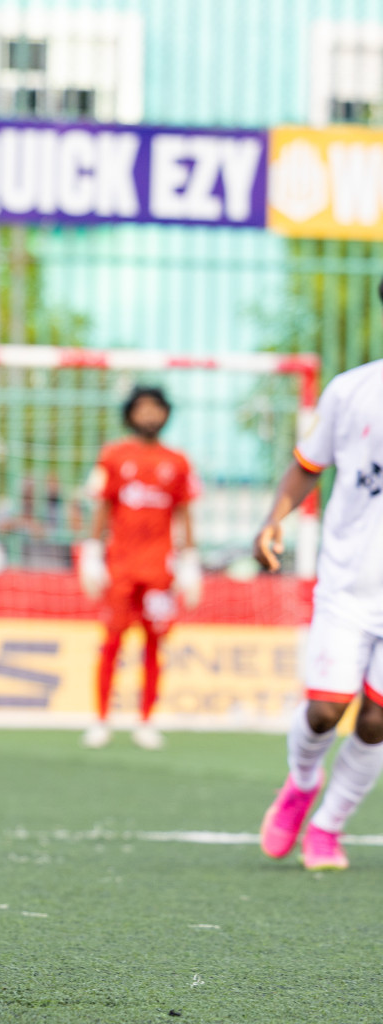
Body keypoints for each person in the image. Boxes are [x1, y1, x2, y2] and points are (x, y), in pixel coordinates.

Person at [256, 354, 383, 872]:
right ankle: (303, 781)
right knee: (326, 710)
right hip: (348, 587)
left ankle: (328, 827)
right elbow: (307, 466)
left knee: (376, 723)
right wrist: (274, 519)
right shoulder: (352, 390)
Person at [77, 386, 201, 751]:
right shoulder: (113, 456)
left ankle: (146, 720)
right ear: (130, 414)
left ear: (166, 414)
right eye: (142, 408)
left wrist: (190, 561)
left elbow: (184, 511)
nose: (149, 415)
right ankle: (101, 719)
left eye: (156, 408)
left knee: (154, 644)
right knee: (112, 641)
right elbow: (102, 505)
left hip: (159, 570)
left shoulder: (178, 462)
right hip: (121, 567)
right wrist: (92, 550)